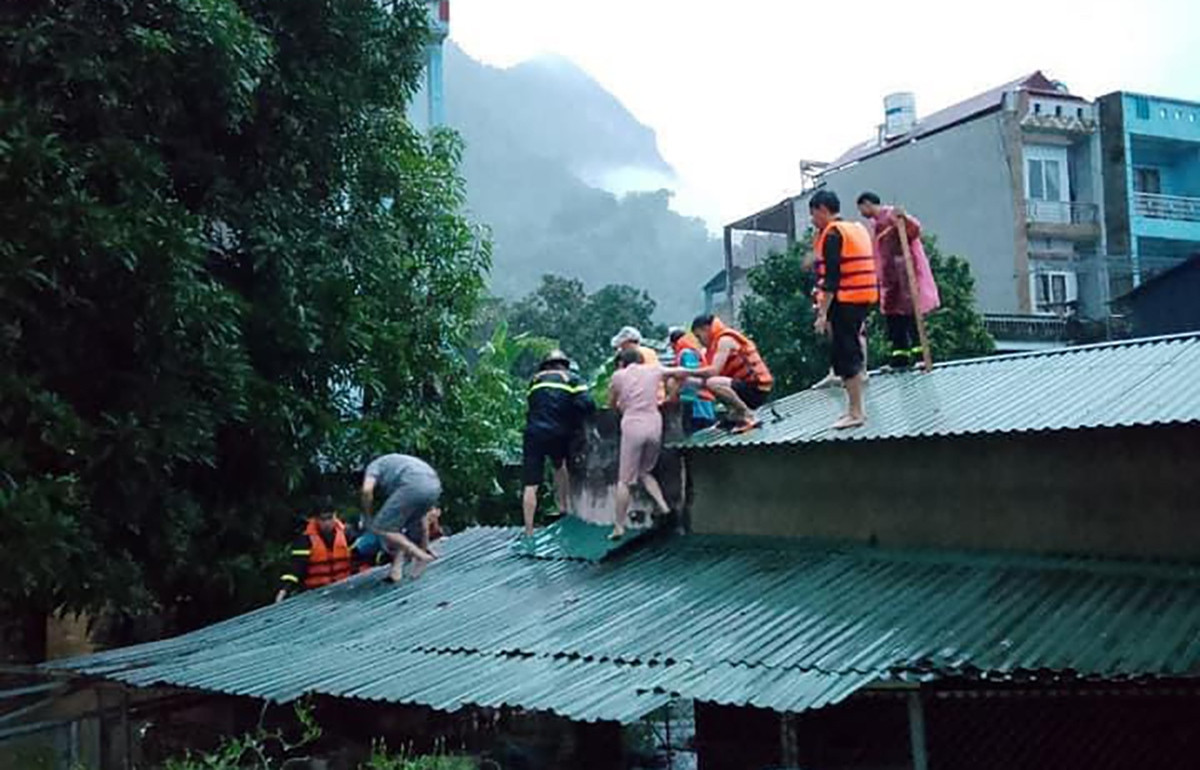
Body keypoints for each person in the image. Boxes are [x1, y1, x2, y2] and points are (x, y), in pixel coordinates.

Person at [810, 189, 878, 429]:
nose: (812, 220)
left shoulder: (833, 235)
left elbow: (831, 280)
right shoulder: (856, 229)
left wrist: (822, 314)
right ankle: (854, 409)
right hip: (862, 297)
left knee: (846, 354)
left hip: (845, 300)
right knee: (851, 350)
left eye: (813, 214)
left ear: (822, 210)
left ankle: (856, 412)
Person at [857, 192, 940, 368]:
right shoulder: (875, 225)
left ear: (867, 204)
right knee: (893, 318)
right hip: (889, 279)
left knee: (910, 315)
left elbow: (914, 230)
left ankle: (920, 357)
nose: (861, 213)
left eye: (861, 208)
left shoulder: (891, 215)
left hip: (904, 275)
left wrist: (904, 218)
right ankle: (899, 358)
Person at [522, 349, 595, 536]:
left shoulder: (535, 380)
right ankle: (564, 508)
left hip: (533, 433)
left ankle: (529, 530)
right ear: (565, 363)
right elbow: (587, 404)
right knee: (560, 465)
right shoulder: (572, 378)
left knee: (531, 484)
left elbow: (532, 405)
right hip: (559, 432)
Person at [607, 348, 672, 540]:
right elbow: (681, 373)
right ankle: (664, 507)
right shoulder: (653, 371)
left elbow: (611, 403)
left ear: (621, 363)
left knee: (625, 480)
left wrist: (620, 406)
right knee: (645, 471)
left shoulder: (619, 375)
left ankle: (618, 526)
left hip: (633, 424)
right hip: (655, 424)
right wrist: (671, 396)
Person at [361, 454, 444, 584]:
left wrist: (367, 514)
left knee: (380, 527)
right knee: (408, 524)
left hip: (412, 486)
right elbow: (419, 522)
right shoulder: (396, 462)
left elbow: (366, 490)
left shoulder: (374, 466)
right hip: (434, 485)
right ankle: (400, 567)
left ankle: (420, 556)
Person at [686, 315, 774, 434]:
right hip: (745, 388)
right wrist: (685, 380)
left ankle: (748, 416)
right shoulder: (713, 346)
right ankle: (734, 416)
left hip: (757, 389)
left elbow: (713, 372)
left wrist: (683, 371)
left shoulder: (725, 340)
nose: (699, 341)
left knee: (712, 383)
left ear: (706, 329)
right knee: (706, 383)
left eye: (699, 336)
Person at [275, 505, 361, 602]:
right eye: (323, 519)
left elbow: (359, 559)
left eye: (330, 518)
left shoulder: (347, 535)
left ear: (335, 517)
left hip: (344, 590)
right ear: (316, 519)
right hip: (315, 594)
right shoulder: (305, 540)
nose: (327, 523)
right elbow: (296, 569)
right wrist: (284, 590)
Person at [668, 328, 717, 434]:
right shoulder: (695, 351)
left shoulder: (686, 353)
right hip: (705, 403)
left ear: (673, 343)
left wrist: (673, 395)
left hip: (696, 404)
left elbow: (687, 376)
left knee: (695, 439)